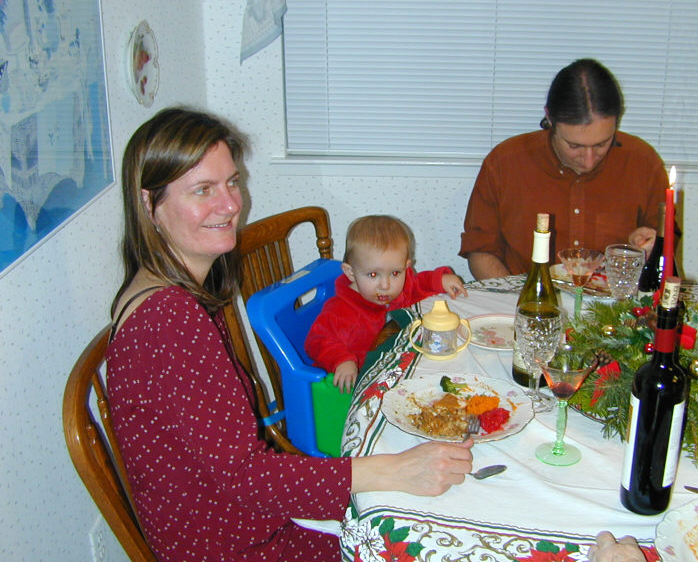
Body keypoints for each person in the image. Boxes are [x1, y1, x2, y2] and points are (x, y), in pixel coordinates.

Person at [105, 107, 474, 562]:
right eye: (203, 190)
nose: (230, 204)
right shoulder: (170, 321)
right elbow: (247, 478)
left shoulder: (162, 290)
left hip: (242, 523)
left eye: (232, 182)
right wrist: (391, 470)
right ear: (149, 204)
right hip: (234, 546)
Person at [460, 58, 670, 280]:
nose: (589, 161)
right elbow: (480, 250)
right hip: (524, 300)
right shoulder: (505, 162)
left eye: (601, 144)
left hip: (613, 308)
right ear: (550, 118)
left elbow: (664, 252)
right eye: (575, 146)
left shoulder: (642, 163)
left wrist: (651, 248)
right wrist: (517, 302)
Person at [305, 214, 467, 393]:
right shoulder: (339, 310)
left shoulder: (399, 287)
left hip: (393, 370)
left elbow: (418, 284)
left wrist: (440, 280)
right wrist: (342, 360)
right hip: (355, 386)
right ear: (350, 273)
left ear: (406, 267)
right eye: (373, 275)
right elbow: (317, 341)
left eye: (395, 273)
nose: (386, 285)